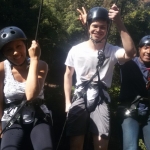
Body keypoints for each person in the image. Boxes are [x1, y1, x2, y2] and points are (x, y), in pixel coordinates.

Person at [64, 4, 136, 150]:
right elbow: (68, 74)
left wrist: (118, 22)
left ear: (108, 29)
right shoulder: (76, 50)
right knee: (75, 143)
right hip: (79, 96)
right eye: (95, 26)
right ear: (88, 26)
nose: (98, 30)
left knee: (102, 143)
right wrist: (67, 102)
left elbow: (130, 53)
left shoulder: (112, 50)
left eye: (103, 27)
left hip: (100, 98)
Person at [0, 26, 53, 150]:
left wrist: (34, 59)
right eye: (9, 50)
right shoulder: (2, 68)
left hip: (38, 116)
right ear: (4, 54)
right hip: (12, 118)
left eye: (19, 46)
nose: (16, 52)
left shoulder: (40, 65)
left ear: (26, 46)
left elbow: (31, 95)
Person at [118, 35, 150, 150]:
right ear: (139, 48)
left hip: (148, 112)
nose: (149, 51)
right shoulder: (129, 63)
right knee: (131, 148)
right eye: (146, 47)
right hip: (130, 111)